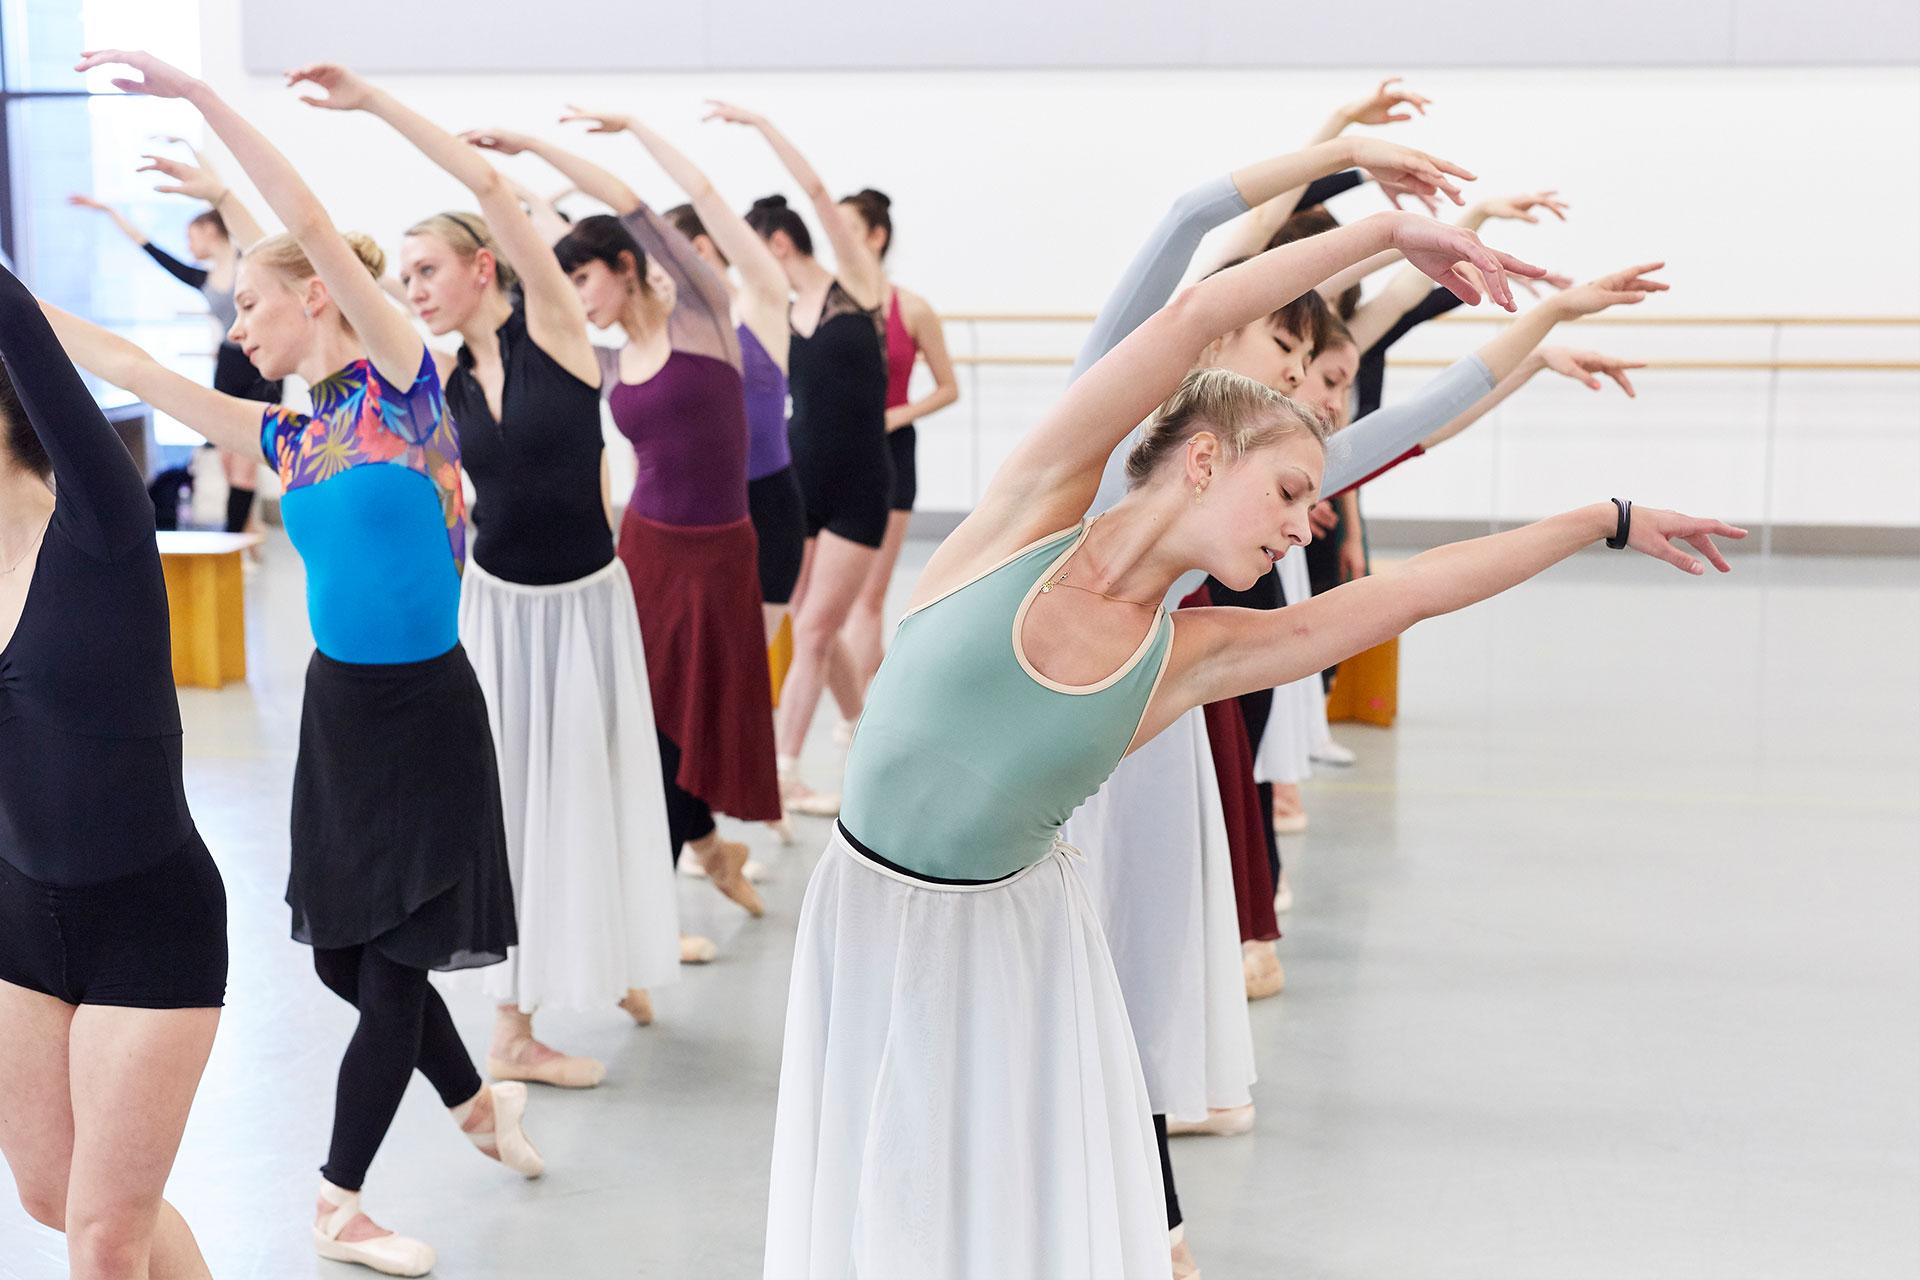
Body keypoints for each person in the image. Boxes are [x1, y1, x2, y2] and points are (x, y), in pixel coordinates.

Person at [764, 202, 1744, 1277]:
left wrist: (1600, 520)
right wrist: (1384, 233)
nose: (1298, 525)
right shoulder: (1029, 511)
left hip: (1011, 950)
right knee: (872, 1206)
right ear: (1201, 460)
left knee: (987, 1226)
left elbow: (1412, 590)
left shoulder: (1189, 655)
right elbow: (1191, 310)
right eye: (1285, 492)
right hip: (861, 912)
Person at [54, 50, 542, 1275]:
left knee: (394, 964)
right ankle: (474, 1097)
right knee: (341, 955)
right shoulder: (291, 435)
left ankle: (339, 1200)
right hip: (340, 714)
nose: (237, 327)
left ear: (314, 300)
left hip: (426, 711)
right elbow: (131, 367)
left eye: (250, 305)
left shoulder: (402, 389)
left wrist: (202, 97)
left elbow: (312, 221)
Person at [290, 64, 682, 1083]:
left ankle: (609, 959)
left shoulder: (555, 330)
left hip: (589, 606)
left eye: (427, 269)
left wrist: (374, 104)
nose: (414, 289)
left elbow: (494, 187)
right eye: (405, 276)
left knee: (594, 788)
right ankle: (512, 1023)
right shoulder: (436, 387)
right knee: (511, 807)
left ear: (482, 268)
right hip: (499, 612)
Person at [462, 123, 782, 905]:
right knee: (644, 726)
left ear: (626, 267)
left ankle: (684, 880)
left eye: (585, 278)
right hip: (644, 553)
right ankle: (692, 871)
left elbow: (635, 202)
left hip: (720, 556)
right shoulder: (603, 359)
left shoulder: (704, 318)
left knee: (687, 724)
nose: (576, 296)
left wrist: (539, 148)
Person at [0, 255, 224, 1280]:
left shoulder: (101, 524)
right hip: (16, 921)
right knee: (60, 1198)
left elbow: (21, 325)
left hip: (149, 919)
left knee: (103, 1238)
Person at [707, 100, 892, 815]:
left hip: (860, 486)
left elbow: (816, 192)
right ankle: (863, 723)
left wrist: (760, 127)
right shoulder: (775, 312)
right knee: (811, 621)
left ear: (779, 245)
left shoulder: (859, 289)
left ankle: (783, 769)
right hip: (798, 479)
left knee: (815, 627)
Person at [69, 164, 280, 534]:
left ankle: (234, 542)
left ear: (210, 230)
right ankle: (249, 532)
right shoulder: (202, 277)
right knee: (227, 460)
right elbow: (152, 249)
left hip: (259, 368)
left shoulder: (248, 263)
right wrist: (110, 212)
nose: (188, 245)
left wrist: (211, 181)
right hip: (228, 364)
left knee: (246, 462)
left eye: (191, 236)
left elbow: (238, 217)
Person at [835, 187, 960, 700]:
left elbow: (949, 387)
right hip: (836, 453)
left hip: (890, 453)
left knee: (869, 595)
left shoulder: (912, 309)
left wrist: (896, 416)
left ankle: (866, 707)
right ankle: (859, 697)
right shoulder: (824, 304)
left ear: (876, 236)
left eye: (846, 229)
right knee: (829, 597)